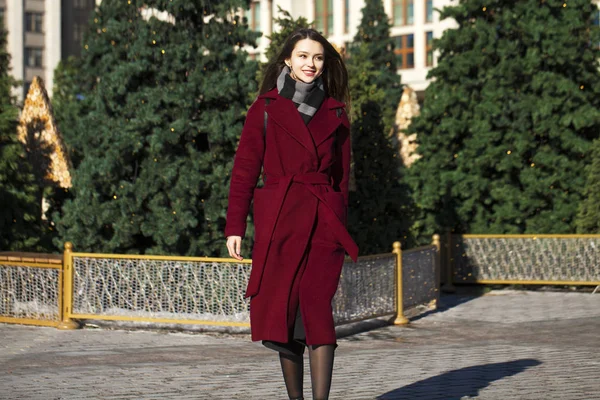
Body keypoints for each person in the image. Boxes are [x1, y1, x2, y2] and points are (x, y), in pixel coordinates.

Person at [225, 28, 358, 400]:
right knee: (283, 312)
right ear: (288, 60)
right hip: (279, 220)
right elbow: (244, 171)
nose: (310, 64)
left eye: (317, 57)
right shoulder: (265, 109)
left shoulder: (335, 112)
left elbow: (342, 179)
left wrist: (337, 221)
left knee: (316, 308)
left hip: (322, 222)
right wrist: (235, 226)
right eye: (303, 56)